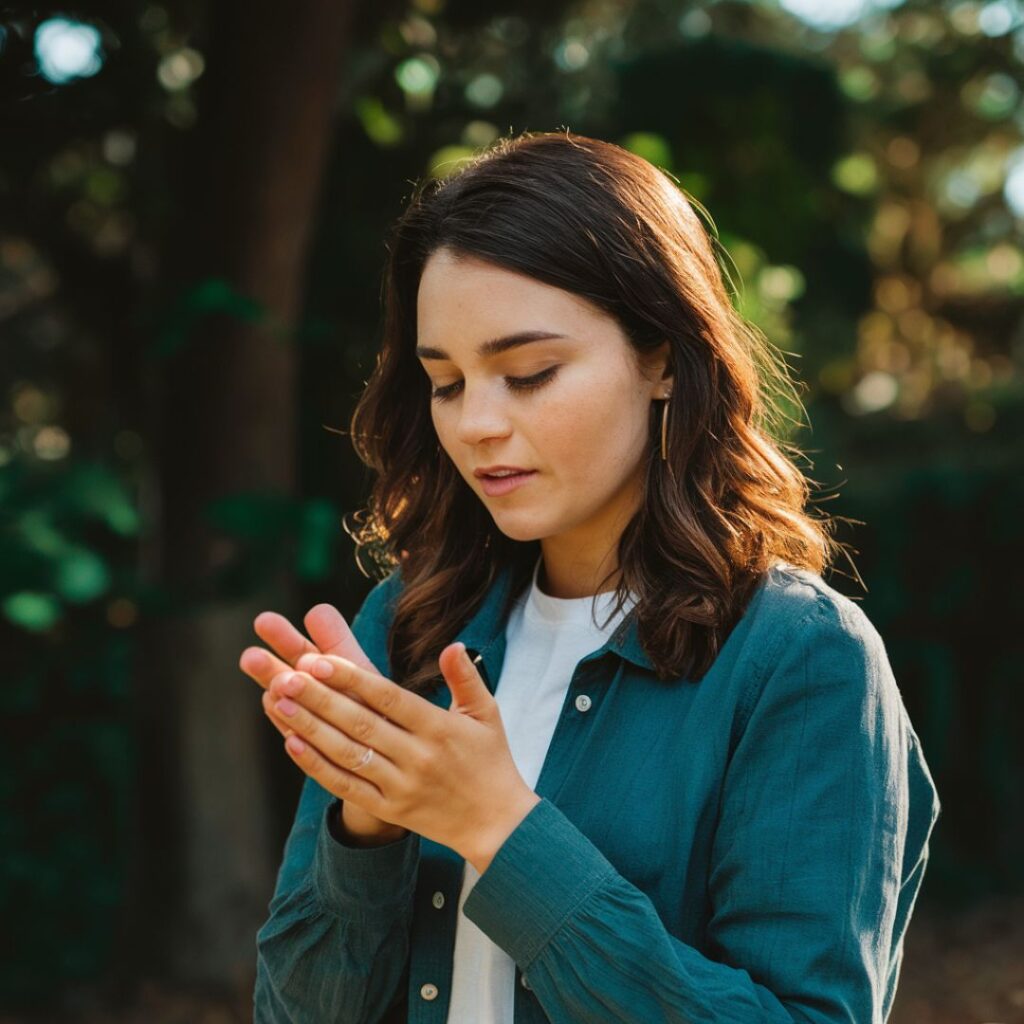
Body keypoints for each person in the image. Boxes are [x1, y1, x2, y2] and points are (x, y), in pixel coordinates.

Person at [242, 130, 941, 1023]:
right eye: (446, 383)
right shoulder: (406, 629)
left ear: (660, 356)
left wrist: (500, 830)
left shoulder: (800, 661)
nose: (478, 424)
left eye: (528, 373)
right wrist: (366, 831)